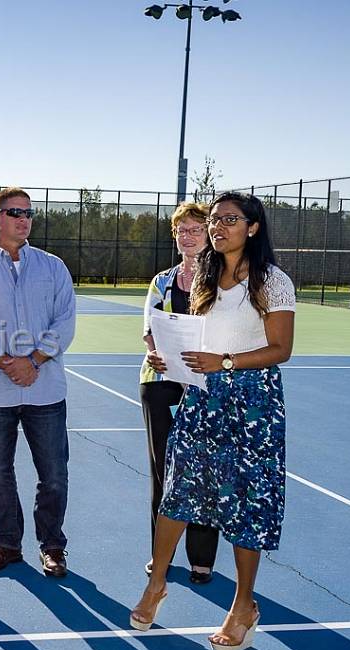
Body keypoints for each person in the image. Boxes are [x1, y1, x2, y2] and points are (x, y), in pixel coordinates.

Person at [130, 192, 296, 650]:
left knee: (246, 504)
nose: (218, 226)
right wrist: (171, 359)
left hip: (253, 405)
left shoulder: (272, 281)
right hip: (203, 399)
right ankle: (156, 584)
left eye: (230, 219)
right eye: (215, 220)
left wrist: (221, 361)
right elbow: (197, 341)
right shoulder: (204, 276)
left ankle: (244, 606)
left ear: (253, 228)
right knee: (178, 489)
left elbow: (280, 349)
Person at [0, 187, 76, 578]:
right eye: (14, 212)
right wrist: (5, 362)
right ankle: (7, 544)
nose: (23, 219)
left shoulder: (53, 267)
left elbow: (64, 323)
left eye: (28, 213)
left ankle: (53, 547)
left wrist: (33, 361)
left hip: (45, 389)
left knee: (54, 474)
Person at [139, 202, 219, 584]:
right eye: (180, 231)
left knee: (204, 470)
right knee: (163, 471)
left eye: (194, 230)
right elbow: (149, 326)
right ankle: (161, 555)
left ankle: (201, 559)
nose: (186, 237)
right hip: (160, 384)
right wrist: (155, 352)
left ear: (209, 234)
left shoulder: (225, 281)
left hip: (206, 386)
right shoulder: (162, 281)